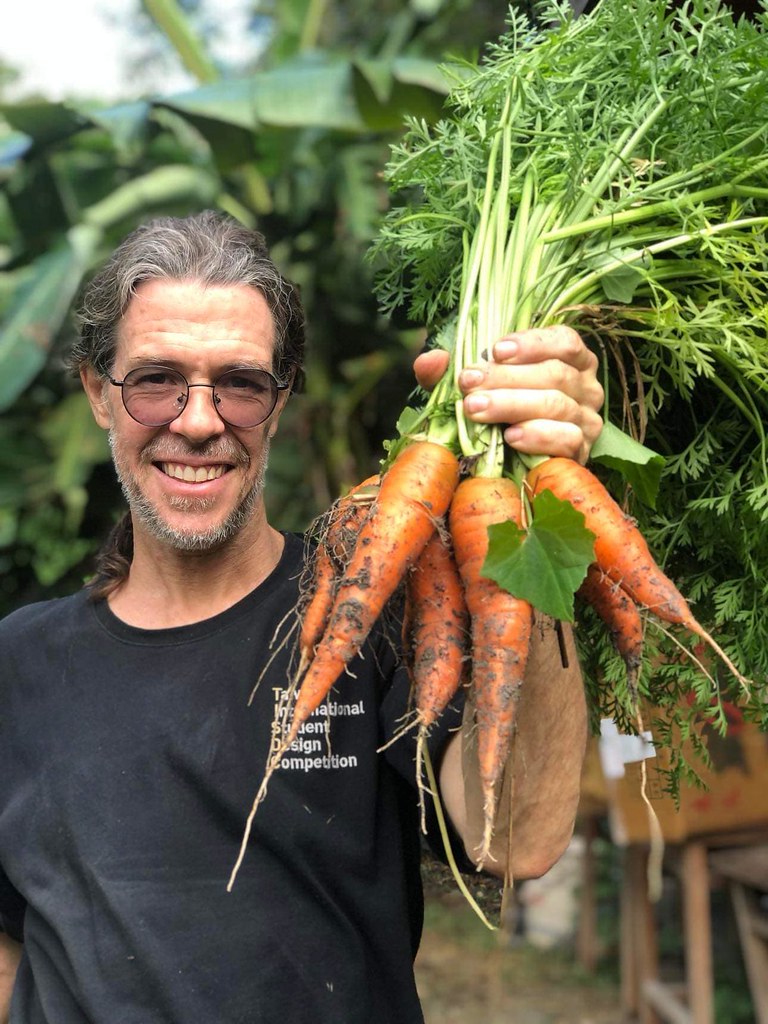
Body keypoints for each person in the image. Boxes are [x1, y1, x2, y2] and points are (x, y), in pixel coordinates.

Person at [0, 211, 603, 1024]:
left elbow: (519, 840)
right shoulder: (17, 663)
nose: (200, 421)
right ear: (97, 394)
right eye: (156, 379)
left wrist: (540, 494)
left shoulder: (375, 620)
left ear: (278, 404)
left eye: (241, 384)